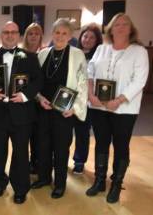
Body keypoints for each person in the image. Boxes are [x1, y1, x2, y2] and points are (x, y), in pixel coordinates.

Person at [85, 13, 149, 203]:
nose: (120, 27)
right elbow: (90, 71)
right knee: (101, 143)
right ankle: (99, 181)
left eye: (125, 24)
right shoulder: (101, 49)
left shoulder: (139, 51)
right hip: (98, 106)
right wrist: (90, 94)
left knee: (121, 145)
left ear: (131, 29)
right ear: (110, 29)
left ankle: (116, 184)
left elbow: (139, 80)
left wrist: (119, 100)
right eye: (116, 24)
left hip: (124, 109)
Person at [0, 21, 43, 204]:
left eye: (13, 32)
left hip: (21, 114)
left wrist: (26, 95)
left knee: (20, 154)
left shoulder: (31, 57)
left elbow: (38, 81)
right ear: (1, 35)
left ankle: (20, 188)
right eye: (6, 32)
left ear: (18, 35)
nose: (9, 35)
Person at [31, 19, 88, 199]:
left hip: (64, 111)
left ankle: (60, 183)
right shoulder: (43, 54)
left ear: (70, 36)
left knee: (61, 148)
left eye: (64, 33)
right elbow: (35, 82)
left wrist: (75, 107)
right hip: (43, 108)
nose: (60, 36)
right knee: (43, 145)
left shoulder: (77, 54)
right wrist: (39, 98)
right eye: (57, 32)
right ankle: (44, 178)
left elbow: (83, 83)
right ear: (52, 34)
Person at [72, 24, 103, 174]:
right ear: (80, 37)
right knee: (63, 132)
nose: (87, 39)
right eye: (85, 36)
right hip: (70, 99)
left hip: (88, 102)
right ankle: (59, 157)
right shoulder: (73, 53)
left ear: (97, 40)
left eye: (92, 37)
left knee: (82, 132)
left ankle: (79, 161)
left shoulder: (99, 57)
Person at [22, 22, 44, 175]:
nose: (34, 36)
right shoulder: (20, 55)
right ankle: (28, 162)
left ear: (41, 37)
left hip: (43, 101)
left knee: (40, 134)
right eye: (30, 33)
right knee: (26, 134)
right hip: (26, 99)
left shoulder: (45, 53)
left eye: (37, 33)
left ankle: (38, 162)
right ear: (26, 36)